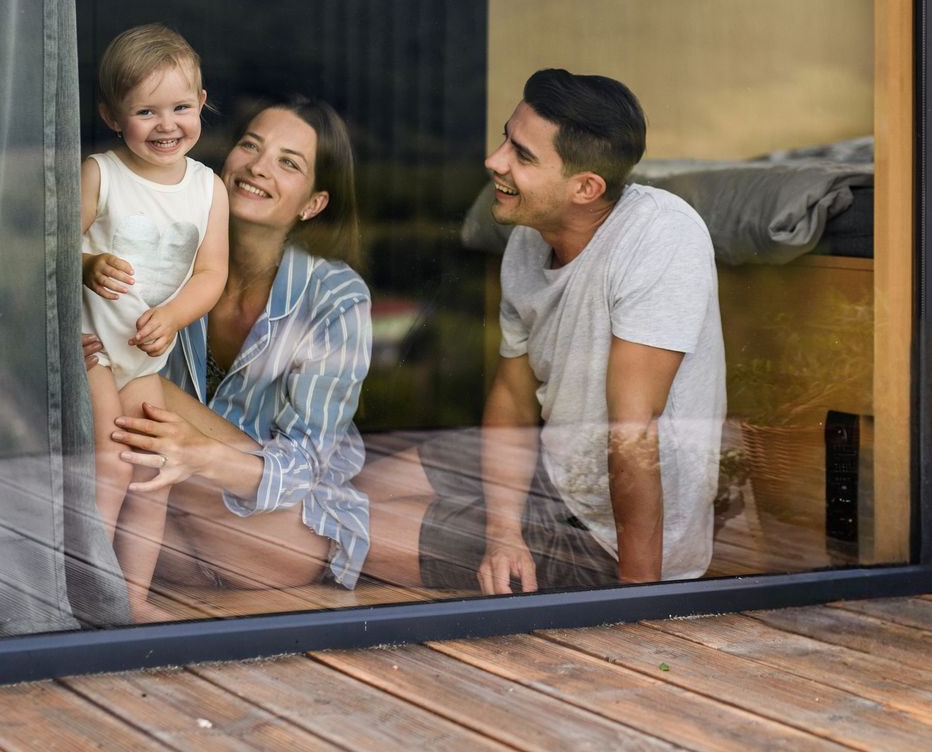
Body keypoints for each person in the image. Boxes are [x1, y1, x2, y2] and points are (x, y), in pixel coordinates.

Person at [358, 69, 725, 593]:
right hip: (551, 471)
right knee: (356, 494)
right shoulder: (529, 240)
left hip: (609, 540)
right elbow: (512, 395)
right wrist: (504, 532)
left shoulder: (662, 237)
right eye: (506, 136)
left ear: (585, 188)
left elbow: (633, 434)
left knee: (334, 531)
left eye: (522, 155)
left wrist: (638, 603)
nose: (493, 160)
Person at [95, 97, 371, 610]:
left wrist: (199, 455)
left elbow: (305, 467)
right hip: (168, 519)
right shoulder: (165, 254)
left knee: (134, 385)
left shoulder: (333, 296)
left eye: (289, 163)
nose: (258, 167)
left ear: (312, 203)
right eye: (250, 145)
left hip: (276, 532)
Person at [78, 23, 229, 622]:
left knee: (153, 472)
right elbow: (44, 249)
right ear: (113, 117)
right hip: (89, 348)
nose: (167, 125)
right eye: (146, 111)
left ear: (201, 104)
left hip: (141, 355)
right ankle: (84, 594)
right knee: (110, 463)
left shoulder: (206, 188)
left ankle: (132, 598)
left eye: (181, 107)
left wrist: (171, 315)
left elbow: (210, 275)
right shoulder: (102, 174)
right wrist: (87, 264)